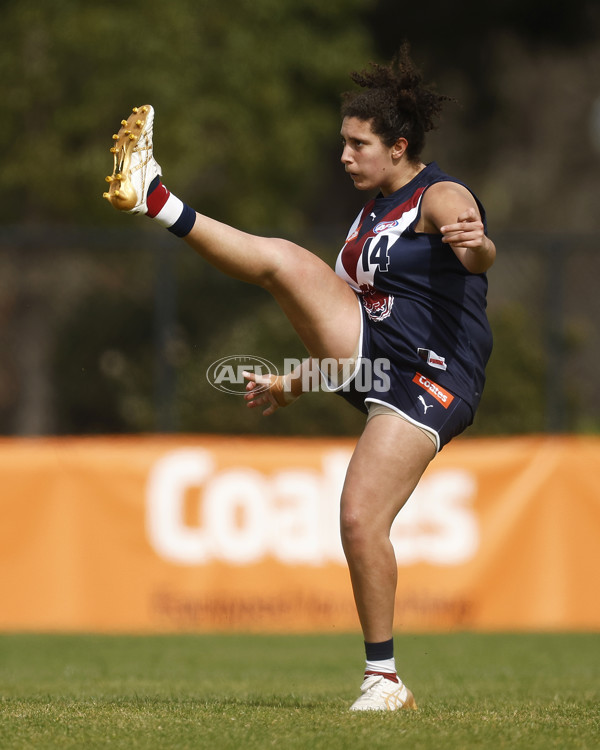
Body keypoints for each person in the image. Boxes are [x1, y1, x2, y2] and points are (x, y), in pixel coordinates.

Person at [103, 45, 495, 712]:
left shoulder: (439, 194)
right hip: (380, 364)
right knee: (283, 265)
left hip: (433, 378)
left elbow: (478, 251)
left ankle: (156, 196)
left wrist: (475, 243)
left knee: (359, 517)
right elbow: (345, 322)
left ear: (399, 146)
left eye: (358, 144)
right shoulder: (368, 215)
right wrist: (293, 382)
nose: (345, 155)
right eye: (343, 142)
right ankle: (385, 683)